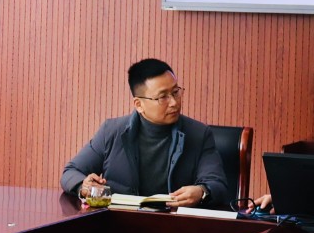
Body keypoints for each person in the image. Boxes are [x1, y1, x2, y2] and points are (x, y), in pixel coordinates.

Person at [61, 59, 230, 208]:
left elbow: (218, 185)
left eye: (175, 92)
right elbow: (71, 172)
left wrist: (201, 192)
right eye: (162, 97)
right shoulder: (112, 131)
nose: (173, 102)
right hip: (118, 226)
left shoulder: (199, 134)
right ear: (139, 104)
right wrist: (83, 187)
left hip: (175, 228)